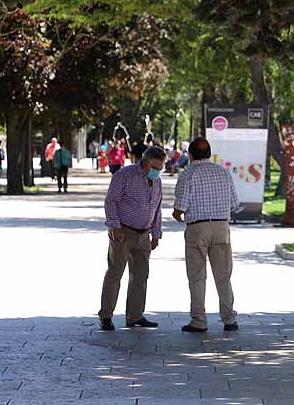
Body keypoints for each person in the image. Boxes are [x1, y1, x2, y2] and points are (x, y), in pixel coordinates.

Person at [171, 137, 239, 333]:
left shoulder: (187, 174)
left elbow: (180, 208)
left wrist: (178, 214)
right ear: (209, 154)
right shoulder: (223, 173)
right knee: (224, 275)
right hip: (221, 228)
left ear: (190, 155)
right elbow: (234, 203)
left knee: (197, 276)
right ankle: (229, 319)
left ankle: (199, 321)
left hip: (197, 229)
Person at [99, 146, 167, 331]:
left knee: (140, 276)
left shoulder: (157, 181)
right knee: (115, 273)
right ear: (145, 162)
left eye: (160, 168)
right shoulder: (124, 175)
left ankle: (135, 315)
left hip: (144, 234)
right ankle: (106, 315)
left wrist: (156, 233)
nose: (157, 171)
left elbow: (157, 208)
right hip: (123, 232)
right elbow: (111, 201)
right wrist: (114, 225)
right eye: (155, 167)